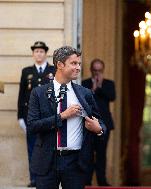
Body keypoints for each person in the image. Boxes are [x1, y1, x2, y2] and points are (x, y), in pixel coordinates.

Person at [27, 46, 106, 189]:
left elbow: (100, 123)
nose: (78, 68)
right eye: (74, 63)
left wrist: (98, 129)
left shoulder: (85, 93)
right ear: (60, 65)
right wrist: (62, 116)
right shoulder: (38, 93)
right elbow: (32, 126)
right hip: (46, 161)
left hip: (75, 162)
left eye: (79, 64)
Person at [17, 41, 55, 187]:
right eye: (36, 51)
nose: (39, 54)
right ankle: (34, 178)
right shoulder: (26, 71)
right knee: (32, 147)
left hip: (49, 116)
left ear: (46, 53)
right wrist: (20, 116)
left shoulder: (53, 70)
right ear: (33, 54)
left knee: (49, 146)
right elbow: (21, 95)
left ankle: (48, 177)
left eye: (41, 51)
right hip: (30, 116)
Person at [82, 58, 116, 186]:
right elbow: (83, 99)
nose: (97, 73)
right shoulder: (84, 83)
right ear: (91, 70)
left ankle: (102, 181)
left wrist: (100, 87)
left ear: (103, 70)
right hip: (89, 123)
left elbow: (112, 97)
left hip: (104, 124)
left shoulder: (109, 83)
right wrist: (93, 88)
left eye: (99, 70)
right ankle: (87, 181)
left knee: (102, 153)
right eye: (95, 70)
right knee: (88, 153)